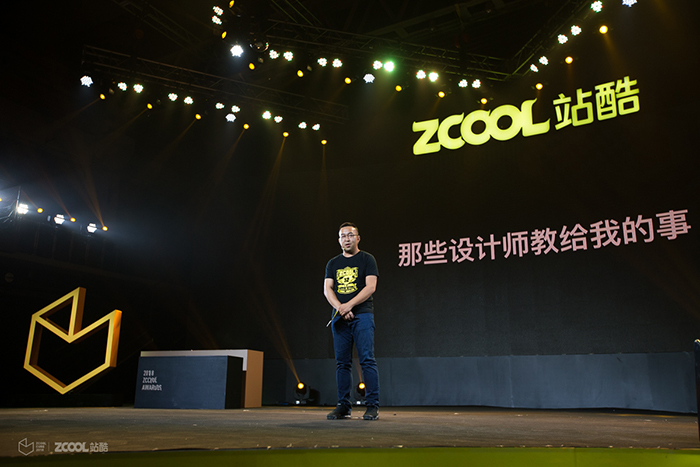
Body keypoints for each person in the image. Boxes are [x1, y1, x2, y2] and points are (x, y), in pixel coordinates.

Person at [324, 222, 380, 420]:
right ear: (339, 240)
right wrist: (341, 307)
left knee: (367, 359)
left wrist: (349, 305)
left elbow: (370, 287)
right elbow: (327, 289)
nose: (346, 239)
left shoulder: (367, 259)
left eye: (350, 235)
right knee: (342, 363)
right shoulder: (333, 263)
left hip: (362, 314)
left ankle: (372, 406)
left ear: (358, 238)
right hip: (340, 317)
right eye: (343, 236)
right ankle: (343, 406)